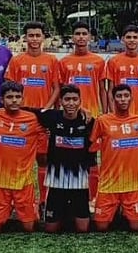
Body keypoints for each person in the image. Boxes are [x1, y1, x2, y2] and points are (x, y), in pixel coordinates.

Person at [3, 21, 64, 207]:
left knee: (43, 157)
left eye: (38, 35)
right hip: (22, 114)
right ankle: (18, 198)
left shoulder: (52, 60)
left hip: (44, 114)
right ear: (25, 38)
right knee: (19, 157)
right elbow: (9, 87)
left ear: (43, 38)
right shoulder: (17, 60)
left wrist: (47, 108)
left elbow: (56, 88)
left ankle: (44, 199)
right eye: (31, 35)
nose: (34, 39)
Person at [34, 85, 96, 234]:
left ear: (80, 101)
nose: (71, 103)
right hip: (57, 182)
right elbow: (26, 110)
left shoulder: (88, 121)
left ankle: (70, 212)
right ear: (60, 101)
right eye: (67, 99)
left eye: (75, 99)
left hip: (79, 183)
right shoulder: (51, 117)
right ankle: (61, 211)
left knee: (83, 229)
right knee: (50, 229)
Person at [0, 81, 42, 233]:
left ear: (23, 99)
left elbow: (59, 116)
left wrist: (84, 111)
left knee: (29, 228)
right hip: (0, 184)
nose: (14, 100)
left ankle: (34, 207)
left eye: (18, 97)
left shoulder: (34, 118)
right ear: (1, 100)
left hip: (24, 183)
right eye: (9, 97)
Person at [90, 84, 138, 232]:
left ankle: (122, 212)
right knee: (101, 226)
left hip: (132, 184)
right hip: (109, 184)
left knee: (137, 226)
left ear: (131, 98)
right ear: (113, 98)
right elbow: (90, 146)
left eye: (126, 96)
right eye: (119, 96)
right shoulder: (103, 121)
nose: (123, 99)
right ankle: (115, 211)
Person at [105, 25, 138, 118]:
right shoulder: (113, 61)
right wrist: (114, 114)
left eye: (135, 37)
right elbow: (110, 91)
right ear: (122, 39)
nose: (132, 40)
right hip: (120, 114)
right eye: (128, 37)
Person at [57, 21, 107, 117]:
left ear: (89, 37)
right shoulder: (63, 62)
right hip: (70, 113)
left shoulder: (99, 61)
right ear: (73, 37)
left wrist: (104, 114)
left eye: (84, 34)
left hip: (92, 111)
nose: (81, 37)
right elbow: (60, 89)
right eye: (77, 34)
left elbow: (102, 89)